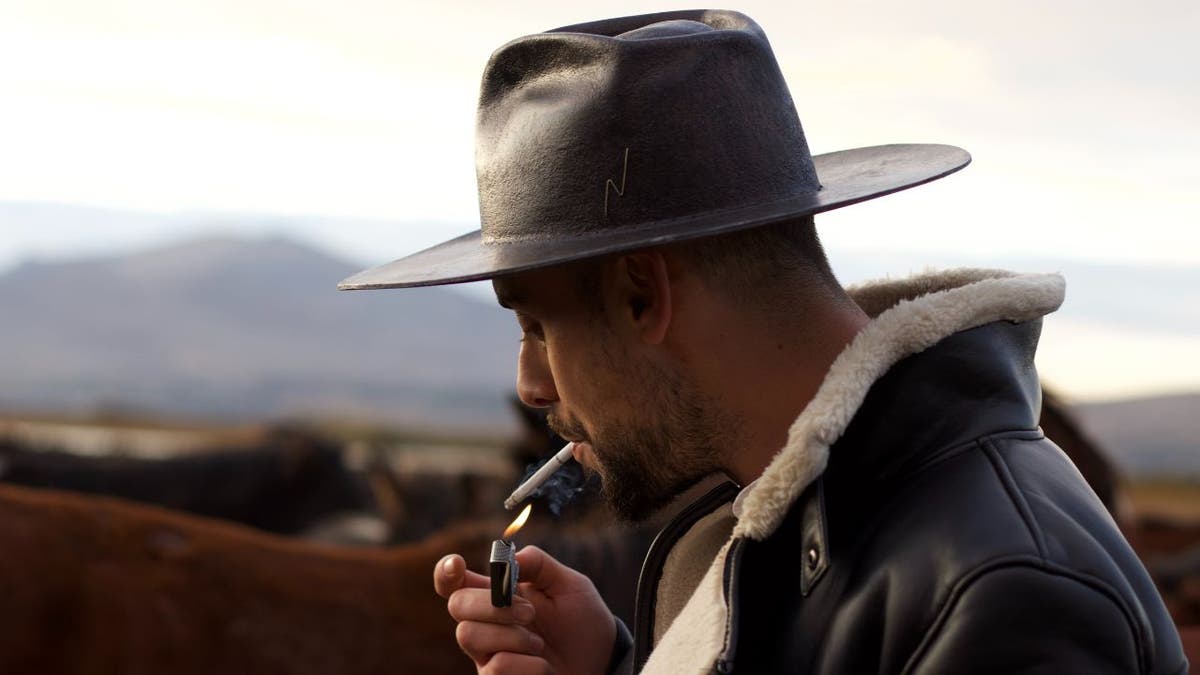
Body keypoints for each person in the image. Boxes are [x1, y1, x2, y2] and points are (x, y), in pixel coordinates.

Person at [339, 9, 1186, 674]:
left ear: (644, 294)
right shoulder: (819, 519)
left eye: (537, 325)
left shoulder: (1007, 595)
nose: (530, 383)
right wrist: (611, 666)